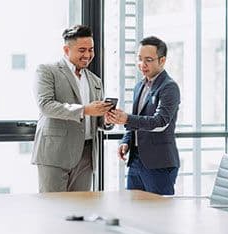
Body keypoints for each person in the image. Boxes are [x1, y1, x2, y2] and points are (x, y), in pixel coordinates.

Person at [31, 25, 112, 193]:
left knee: (80, 209)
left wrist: (107, 120)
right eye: (82, 50)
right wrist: (84, 110)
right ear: (66, 49)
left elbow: (96, 119)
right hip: (55, 152)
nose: (88, 55)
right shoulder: (47, 71)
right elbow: (46, 105)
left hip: (87, 154)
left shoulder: (96, 81)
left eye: (91, 50)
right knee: (53, 209)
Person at [106, 36, 180, 195]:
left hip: (158, 164)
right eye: (139, 59)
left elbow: (160, 122)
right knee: (134, 212)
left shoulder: (169, 87)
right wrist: (126, 141)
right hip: (135, 160)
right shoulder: (139, 86)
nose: (142, 64)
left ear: (162, 60)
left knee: (158, 215)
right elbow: (137, 119)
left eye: (148, 60)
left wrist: (126, 118)